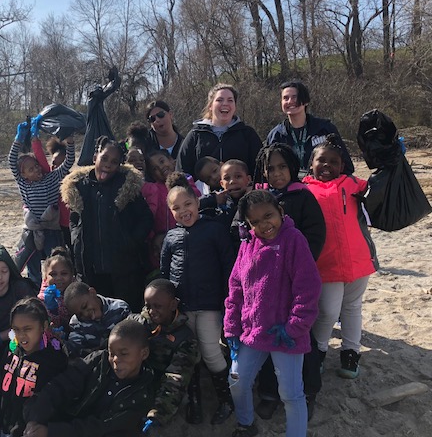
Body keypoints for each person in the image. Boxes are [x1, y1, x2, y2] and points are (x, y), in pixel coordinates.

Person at [224, 190, 321, 437]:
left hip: (285, 334)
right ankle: (246, 423)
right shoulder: (247, 245)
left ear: (280, 211)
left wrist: (294, 327)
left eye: (268, 216)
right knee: (237, 380)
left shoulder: (293, 240)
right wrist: (232, 327)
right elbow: (236, 287)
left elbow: (308, 288)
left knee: (290, 393)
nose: (263, 225)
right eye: (255, 222)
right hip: (253, 331)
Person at [251, 143, 326, 420]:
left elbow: (316, 234)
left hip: (296, 282)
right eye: (270, 168)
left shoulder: (303, 197)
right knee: (270, 338)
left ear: (292, 167)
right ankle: (270, 393)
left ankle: (308, 392)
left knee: (300, 337)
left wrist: (299, 266)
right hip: (267, 287)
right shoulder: (258, 199)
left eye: (282, 166)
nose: (277, 173)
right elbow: (245, 233)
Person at [160, 172, 236, 425]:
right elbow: (165, 271)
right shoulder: (171, 237)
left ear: (198, 201)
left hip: (210, 305)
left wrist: (229, 299)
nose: (184, 211)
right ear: (171, 212)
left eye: (188, 204)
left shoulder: (214, 229)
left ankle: (225, 399)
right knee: (188, 355)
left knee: (211, 351)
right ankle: (194, 400)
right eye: (176, 208)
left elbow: (228, 265)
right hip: (182, 307)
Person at [303, 134, 378, 379]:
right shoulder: (304, 190)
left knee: (352, 308)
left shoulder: (353, 184)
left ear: (342, 165)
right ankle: (319, 350)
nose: (327, 165)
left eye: (333, 161)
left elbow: (379, 187)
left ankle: (351, 352)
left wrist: (391, 158)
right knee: (327, 311)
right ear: (311, 164)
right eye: (321, 161)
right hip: (326, 264)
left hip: (358, 260)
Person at [61, 136, 153, 312]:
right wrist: (76, 240)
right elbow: (73, 219)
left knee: (125, 315)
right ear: (95, 157)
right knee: (95, 316)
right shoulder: (80, 187)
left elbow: (146, 218)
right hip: (90, 271)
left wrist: (130, 242)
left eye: (114, 162)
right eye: (104, 158)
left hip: (123, 271)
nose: (108, 165)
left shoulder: (126, 186)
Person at [22, 319, 155, 437]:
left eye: (124, 354)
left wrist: (50, 432)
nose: (115, 360)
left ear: (144, 353)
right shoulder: (99, 360)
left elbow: (101, 427)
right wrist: (35, 419)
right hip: (66, 423)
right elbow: (64, 383)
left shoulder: (142, 394)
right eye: (111, 353)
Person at [0, 298, 69, 437]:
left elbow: (45, 408)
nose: (21, 335)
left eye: (28, 329)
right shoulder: (11, 351)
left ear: (44, 326)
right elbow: (0, 390)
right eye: (16, 329)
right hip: (2, 427)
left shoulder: (53, 361)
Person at [127, 279, 199, 433]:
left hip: (164, 382)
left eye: (158, 306)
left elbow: (175, 377)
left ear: (173, 305)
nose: (152, 311)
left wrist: (158, 413)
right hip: (142, 376)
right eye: (148, 306)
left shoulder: (185, 338)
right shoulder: (141, 323)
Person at [10, 117, 75, 287]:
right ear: (23, 174)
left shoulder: (51, 179)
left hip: (52, 231)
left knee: (55, 263)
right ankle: (35, 290)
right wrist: (18, 139)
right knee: (32, 266)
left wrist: (70, 143)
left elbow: (68, 162)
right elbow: (11, 161)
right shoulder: (23, 184)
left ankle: (56, 291)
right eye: (31, 169)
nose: (37, 169)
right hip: (32, 232)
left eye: (37, 166)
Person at [265, 80, 354, 178]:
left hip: (322, 187)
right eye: (285, 98)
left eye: (295, 97)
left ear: (306, 100)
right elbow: (268, 170)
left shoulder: (325, 129)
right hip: (291, 189)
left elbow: (347, 167)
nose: (290, 101)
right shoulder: (276, 135)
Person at [176, 83, 262, 179]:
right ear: (210, 106)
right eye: (219, 100)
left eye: (230, 100)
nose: (225, 103)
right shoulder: (195, 135)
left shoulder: (247, 134)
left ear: (235, 106)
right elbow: (182, 171)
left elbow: (259, 169)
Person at [0, 244, 37, 375]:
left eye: (4, 271)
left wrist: (2, 336)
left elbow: (35, 319)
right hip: (1, 347)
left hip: (26, 337)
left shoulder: (20, 289)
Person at [141, 149, 199, 269]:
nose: (160, 168)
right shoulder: (154, 189)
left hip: (191, 239)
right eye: (154, 169)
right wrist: (153, 238)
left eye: (162, 161)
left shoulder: (187, 183)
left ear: (173, 161)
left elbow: (197, 200)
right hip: (163, 244)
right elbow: (150, 216)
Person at [63, 281, 131, 358]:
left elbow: (132, 338)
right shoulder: (76, 323)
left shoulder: (120, 308)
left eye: (85, 306)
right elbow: (75, 349)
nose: (85, 314)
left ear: (92, 293)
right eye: (80, 314)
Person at [32, 136, 71, 249]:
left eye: (60, 165)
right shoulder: (49, 179)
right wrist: (35, 141)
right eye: (54, 163)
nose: (56, 167)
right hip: (55, 227)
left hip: (71, 226)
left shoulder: (74, 181)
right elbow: (40, 158)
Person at [37, 247, 76, 336]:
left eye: (64, 273)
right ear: (46, 278)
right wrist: (52, 310)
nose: (58, 278)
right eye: (53, 274)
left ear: (72, 276)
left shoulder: (78, 294)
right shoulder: (41, 301)